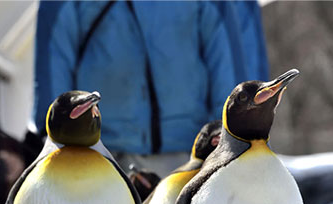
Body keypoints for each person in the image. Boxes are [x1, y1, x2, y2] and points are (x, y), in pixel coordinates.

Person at [32, 1, 239, 177]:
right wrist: (58, 139)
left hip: (189, 152)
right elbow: (55, 62)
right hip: (101, 155)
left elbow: (223, 60)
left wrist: (225, 136)